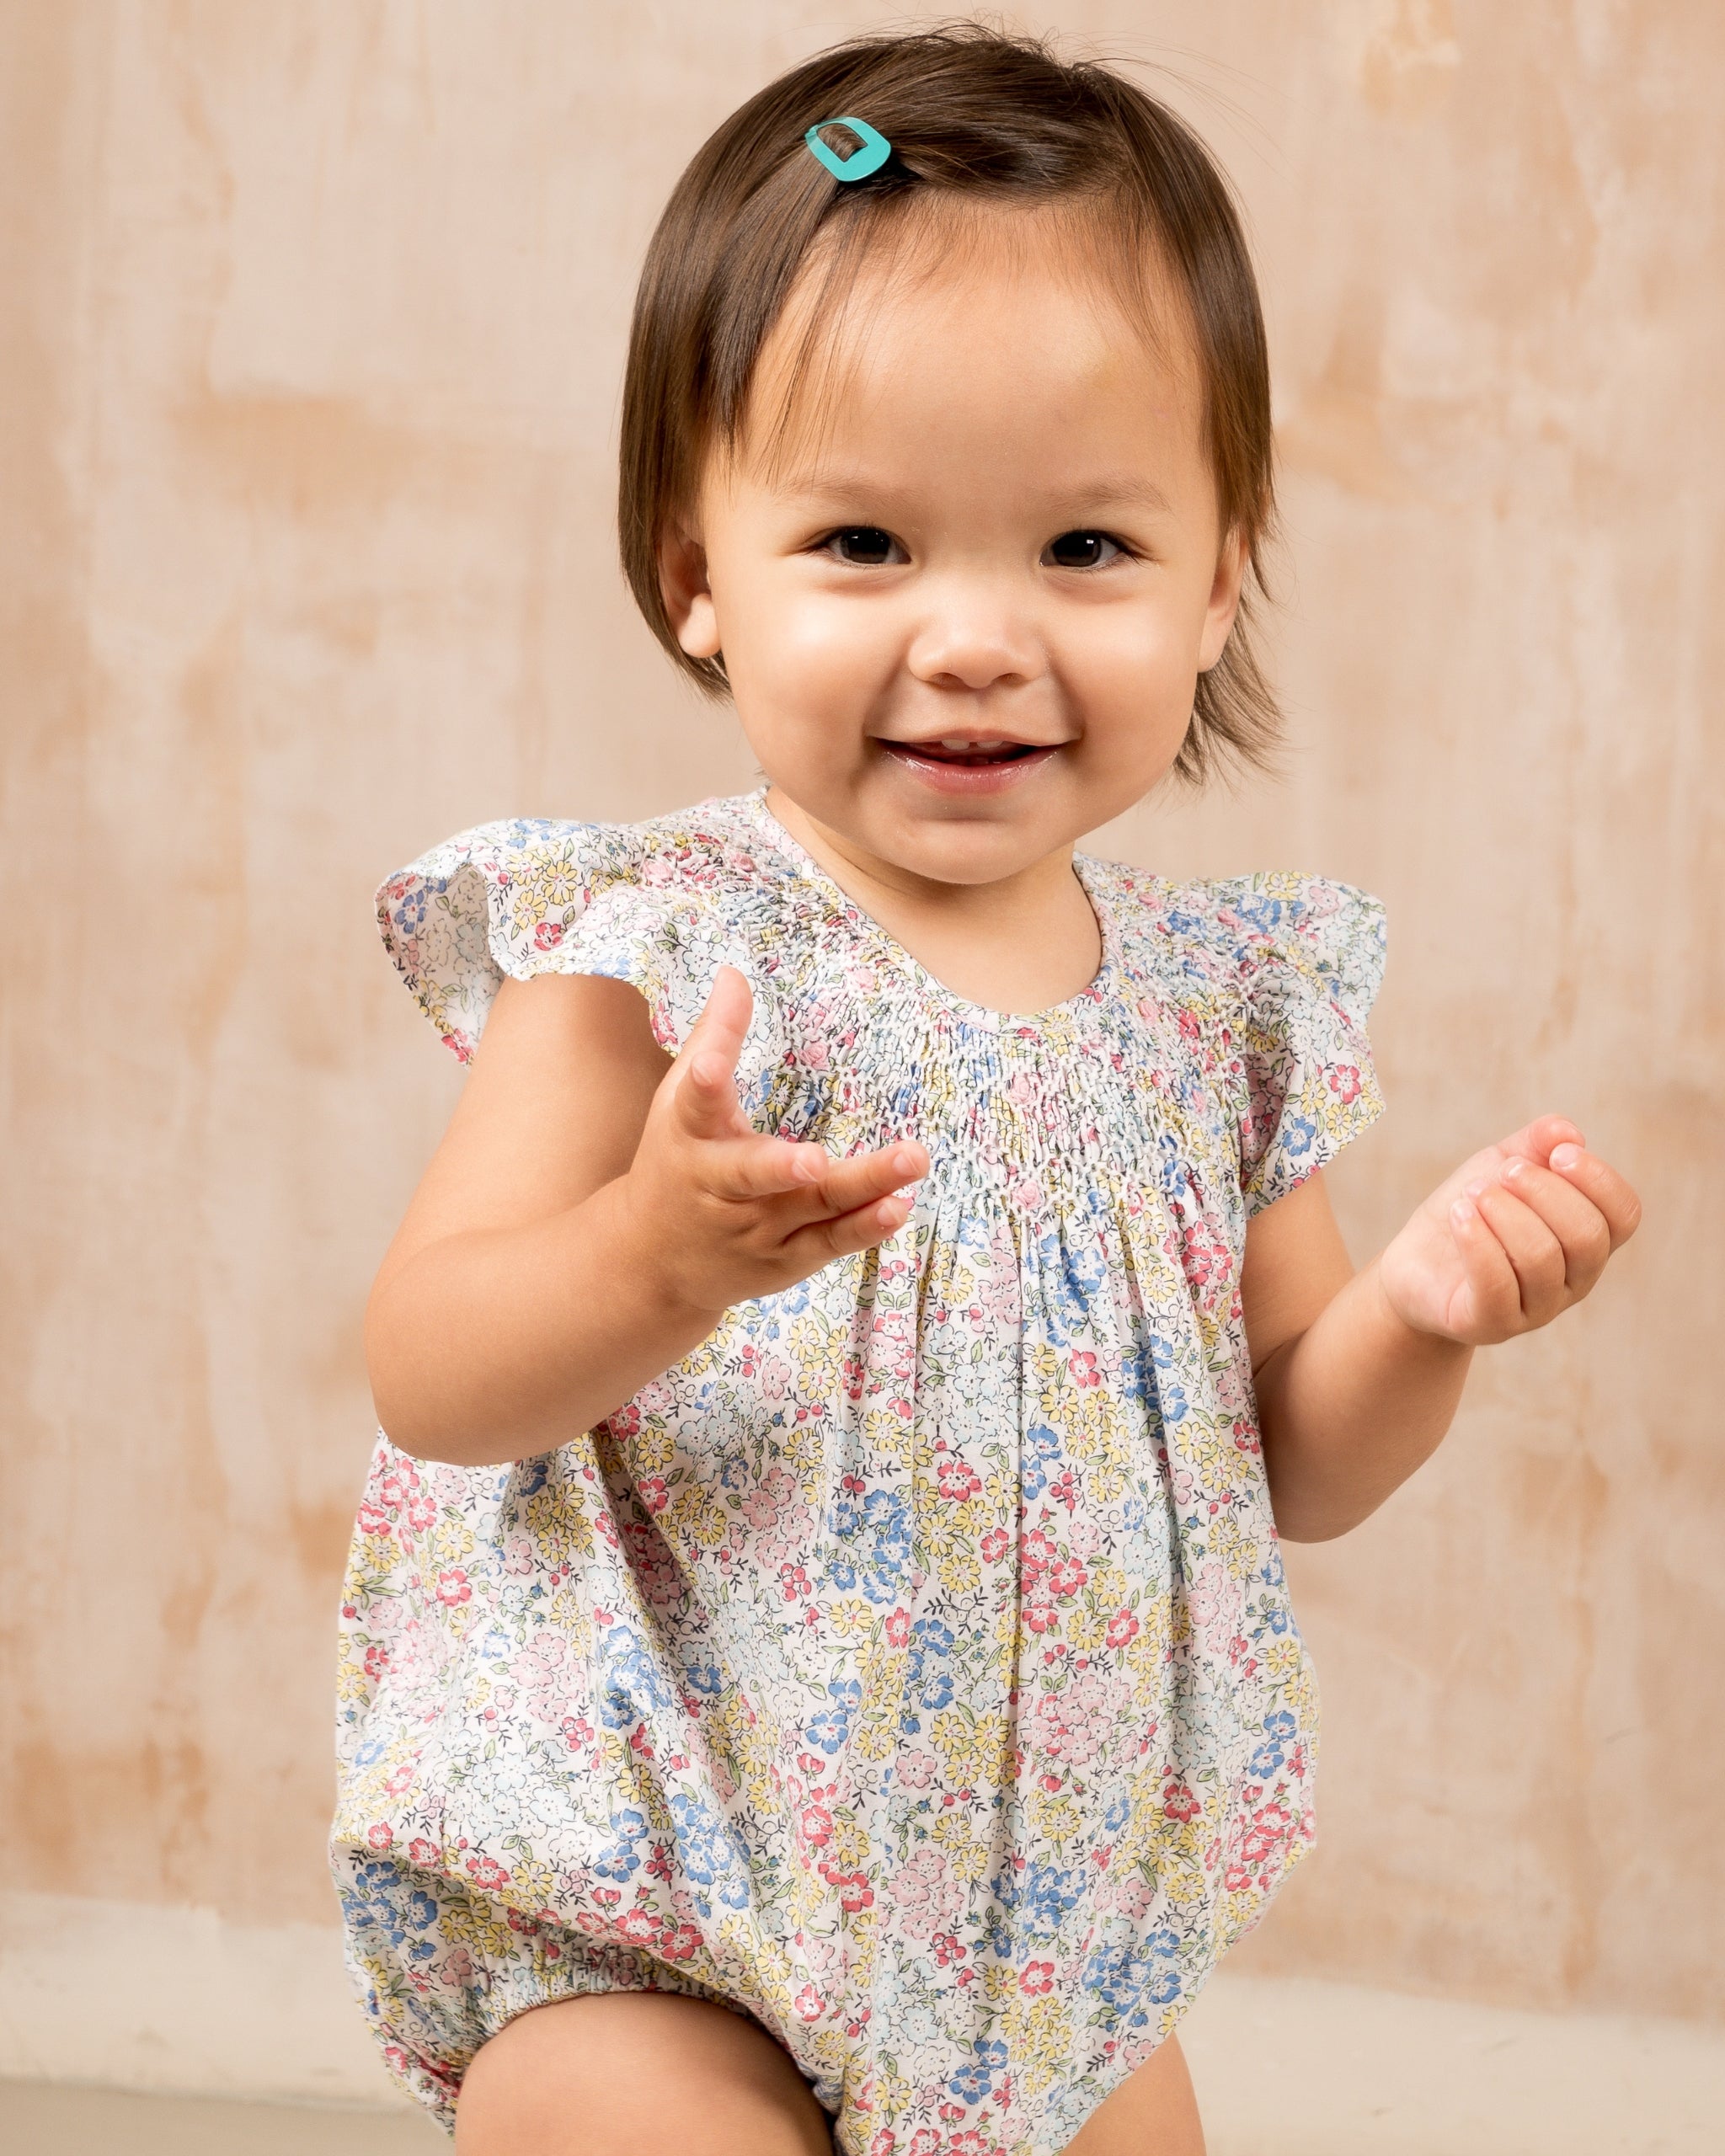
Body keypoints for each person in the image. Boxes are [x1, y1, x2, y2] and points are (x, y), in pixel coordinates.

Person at [332, 25, 1641, 2155]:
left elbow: (1293, 1451)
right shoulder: (656, 952)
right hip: (656, 1890)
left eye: (1085, 551)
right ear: (696, 573)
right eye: (860, 541)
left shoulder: (1219, 1016)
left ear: (1219, 578)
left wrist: (1416, 1314)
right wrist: (649, 1252)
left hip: (1034, 1936)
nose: (972, 636)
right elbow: (435, 1369)